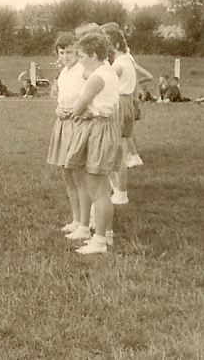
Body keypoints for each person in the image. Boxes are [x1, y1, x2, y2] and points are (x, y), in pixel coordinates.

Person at [65, 31, 120, 254]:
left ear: (94, 55)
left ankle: (99, 241)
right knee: (100, 185)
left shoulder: (98, 77)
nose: (80, 60)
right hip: (103, 126)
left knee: (98, 188)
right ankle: (104, 235)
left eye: (82, 56)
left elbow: (78, 107)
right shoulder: (106, 72)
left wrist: (74, 110)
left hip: (100, 128)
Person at [46, 32, 87, 235]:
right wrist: (58, 110)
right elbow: (60, 100)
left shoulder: (84, 71)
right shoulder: (64, 73)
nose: (65, 56)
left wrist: (78, 111)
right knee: (67, 174)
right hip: (63, 124)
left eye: (70, 52)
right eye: (62, 52)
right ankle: (76, 219)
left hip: (78, 124)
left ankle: (85, 223)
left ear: (78, 51)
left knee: (79, 175)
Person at [102, 23, 135, 206]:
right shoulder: (128, 59)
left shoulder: (119, 65)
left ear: (115, 45)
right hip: (127, 101)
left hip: (120, 103)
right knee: (119, 146)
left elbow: (104, 80)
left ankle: (120, 191)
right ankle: (118, 189)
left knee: (117, 149)